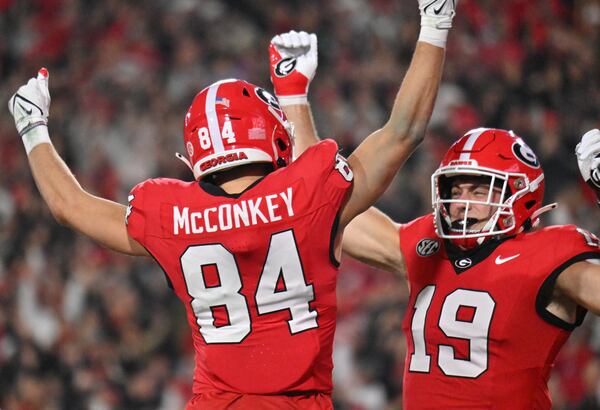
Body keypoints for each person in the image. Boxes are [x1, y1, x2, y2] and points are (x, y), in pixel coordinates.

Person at [7, 0, 456, 408]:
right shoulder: (308, 194)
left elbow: (69, 205)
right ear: (270, 133)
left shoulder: (169, 212)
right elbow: (404, 131)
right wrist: (435, 26)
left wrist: (33, 129)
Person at [279, 28, 600, 410]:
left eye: (480, 191)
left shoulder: (551, 254)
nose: (463, 202)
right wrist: (293, 97)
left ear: (522, 196)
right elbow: (322, 205)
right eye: (456, 189)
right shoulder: (425, 244)